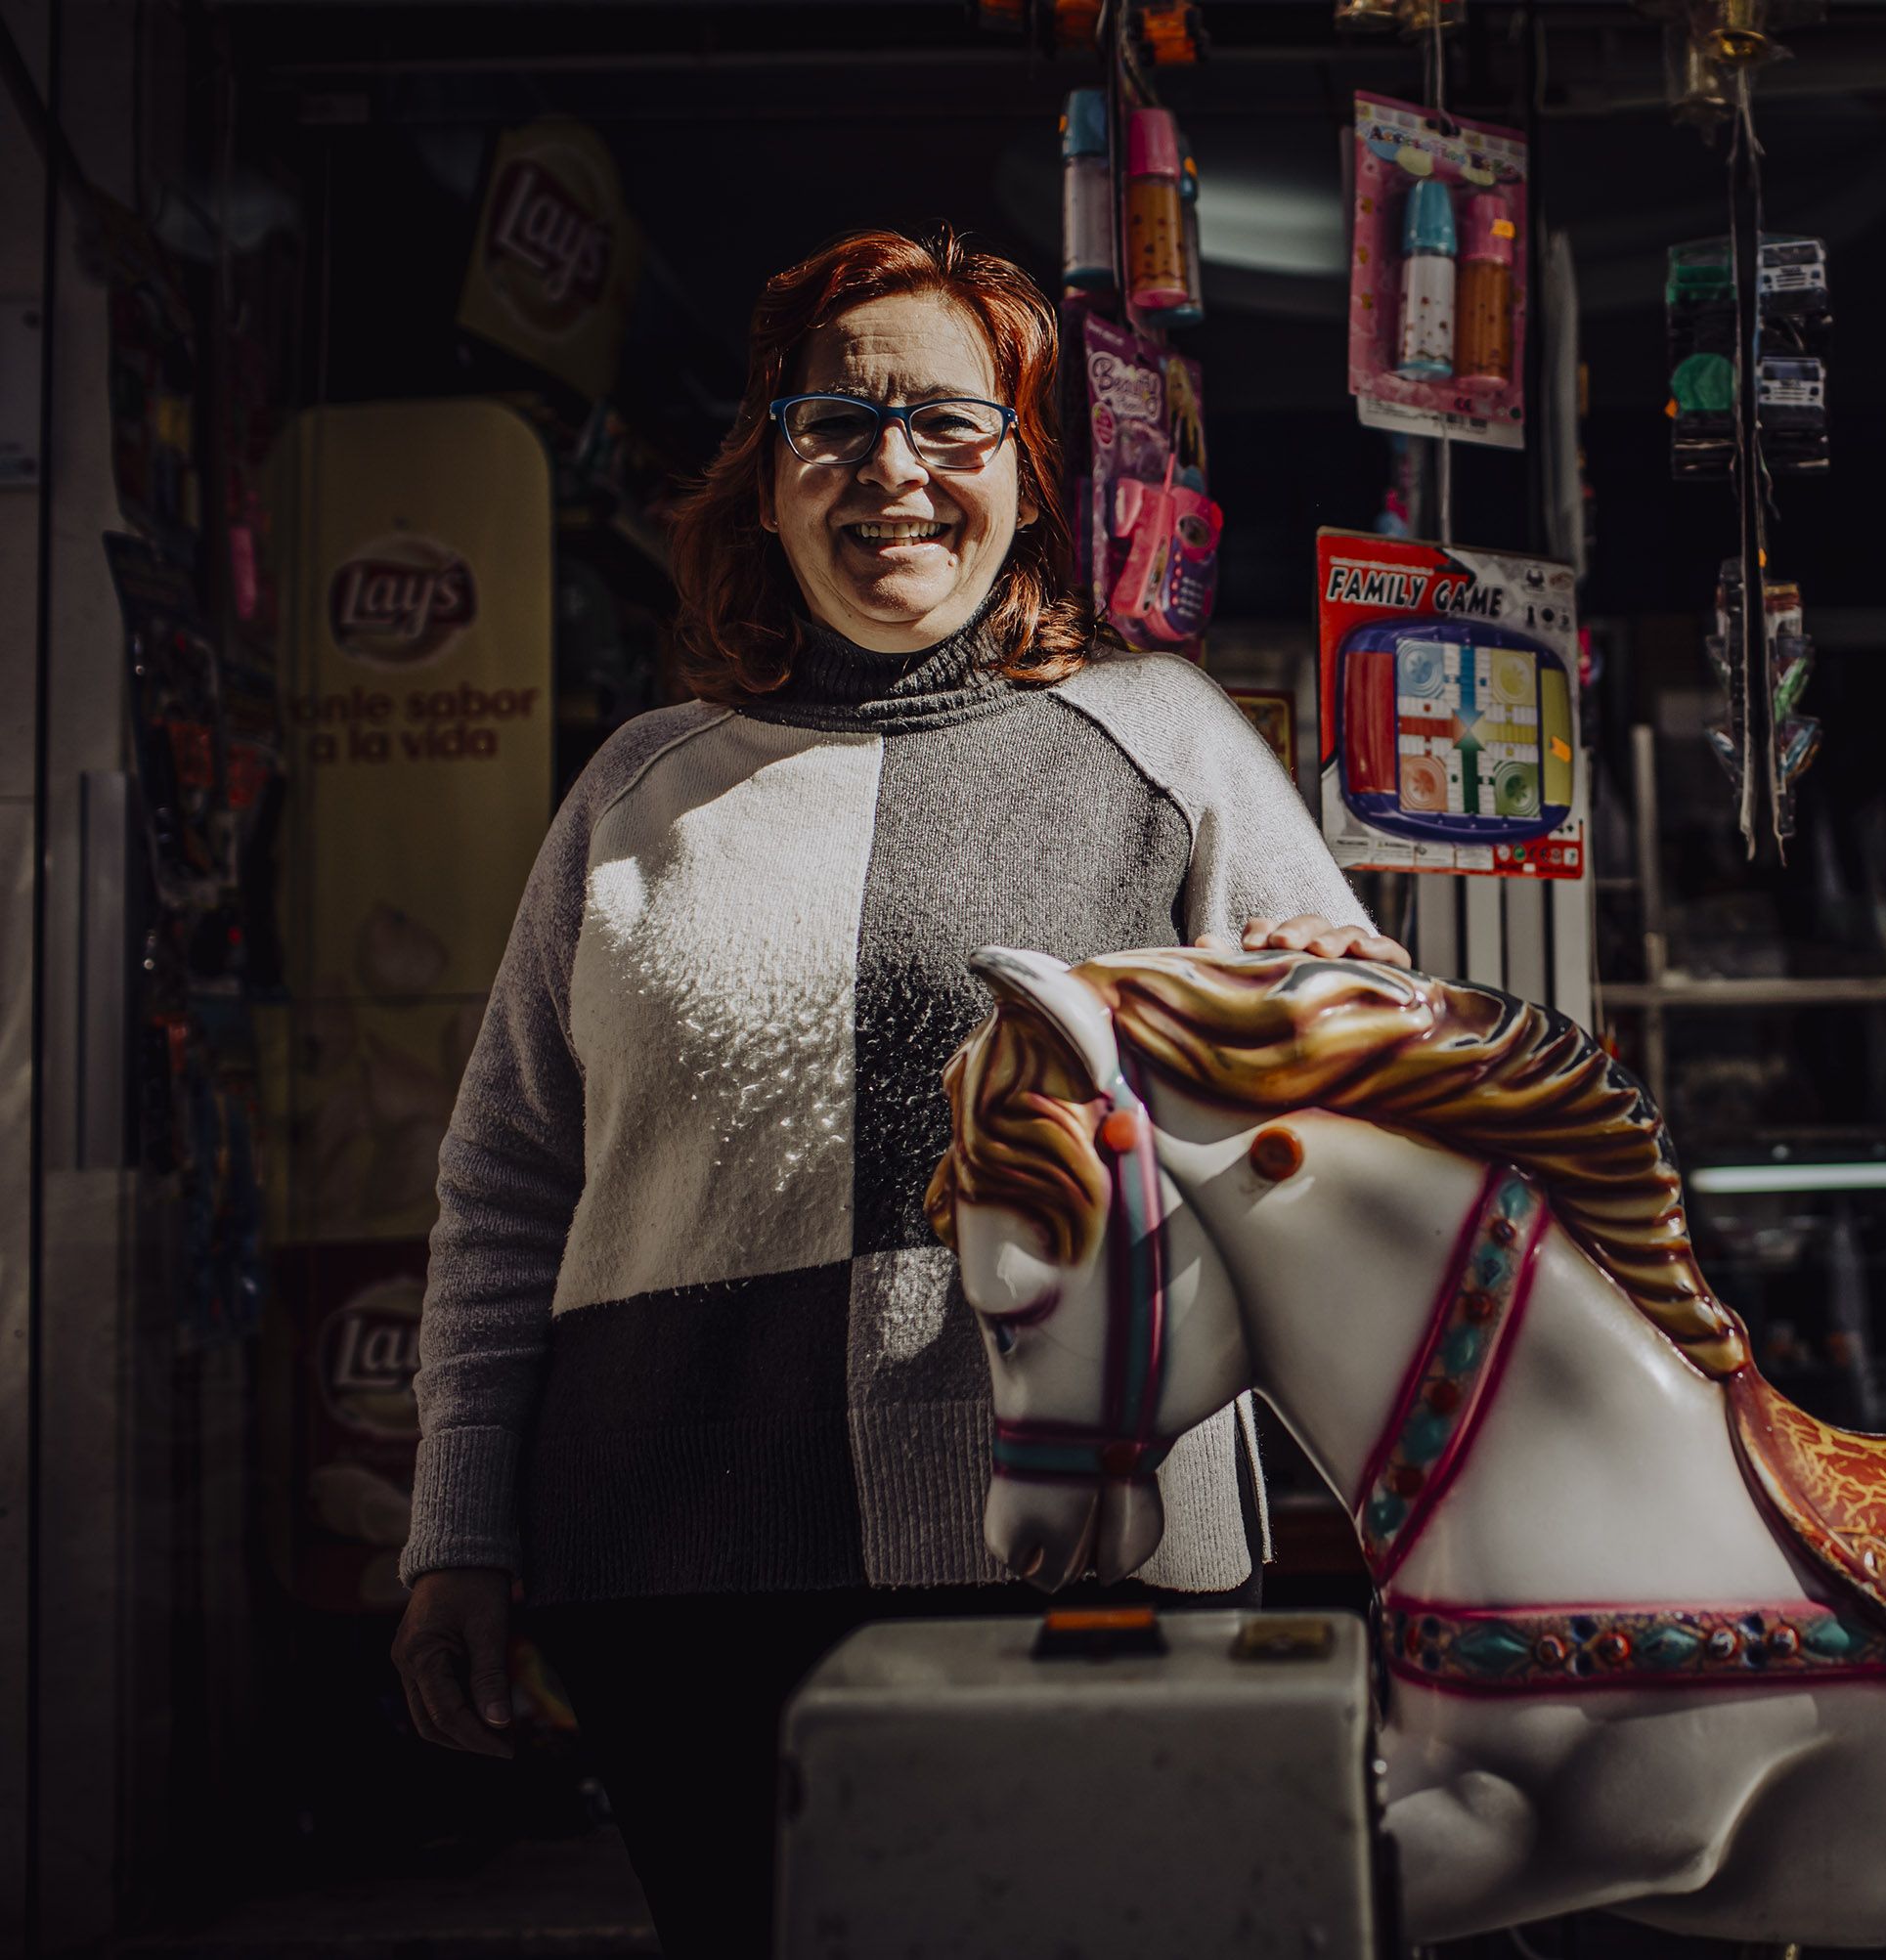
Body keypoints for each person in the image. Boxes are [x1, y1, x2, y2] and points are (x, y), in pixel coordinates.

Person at [390, 227, 1405, 1956]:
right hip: (671, 1566)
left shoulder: (1165, 736)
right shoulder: (635, 789)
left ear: (1026, 469)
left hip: (1087, 1554)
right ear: (765, 481)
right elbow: (504, 1195)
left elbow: (1352, 1127)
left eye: (949, 423)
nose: (890, 474)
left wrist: (1342, 1026)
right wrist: (454, 1525)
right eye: (831, 425)